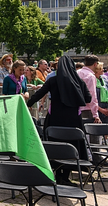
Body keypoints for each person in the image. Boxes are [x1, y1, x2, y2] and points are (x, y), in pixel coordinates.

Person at [27, 56, 91, 185]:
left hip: (55, 118)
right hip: (73, 120)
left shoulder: (53, 80)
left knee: (54, 143)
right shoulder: (79, 81)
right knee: (71, 145)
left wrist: (29, 103)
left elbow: (40, 93)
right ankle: (65, 176)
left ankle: (55, 173)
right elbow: (88, 98)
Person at [78, 55, 106, 124]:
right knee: (92, 132)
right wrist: (95, 114)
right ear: (95, 64)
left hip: (76, 107)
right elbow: (92, 96)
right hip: (87, 109)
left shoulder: (77, 72)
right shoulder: (90, 76)